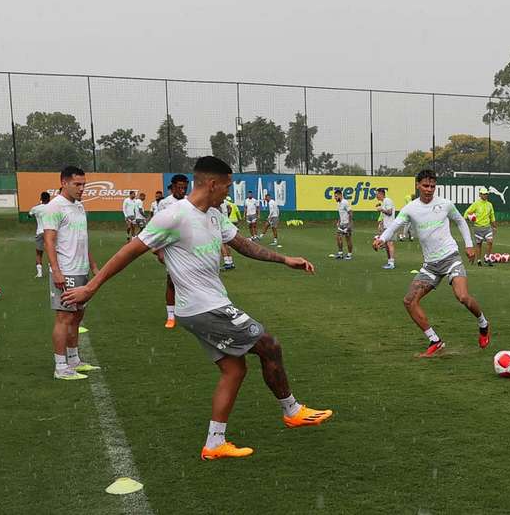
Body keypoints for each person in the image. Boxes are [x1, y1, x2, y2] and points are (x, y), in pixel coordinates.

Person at [62, 156, 332, 460]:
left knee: (234, 370)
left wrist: (284, 259)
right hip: (204, 308)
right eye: (228, 186)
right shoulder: (173, 216)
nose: (229, 193)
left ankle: (214, 442)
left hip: (207, 305)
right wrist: (91, 286)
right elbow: (130, 250)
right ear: (212, 183)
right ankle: (291, 410)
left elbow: (243, 244)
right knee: (269, 344)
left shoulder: (215, 215)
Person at [372, 169, 489, 358]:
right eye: (426, 185)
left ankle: (483, 324)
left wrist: (469, 245)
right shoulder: (411, 208)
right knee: (409, 301)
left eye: (433, 186)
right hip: (430, 266)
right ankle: (435, 341)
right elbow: (395, 225)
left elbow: (460, 221)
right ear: (418, 185)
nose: (429, 189)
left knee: (463, 297)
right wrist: (382, 238)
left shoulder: (445, 204)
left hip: (451, 258)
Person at [41, 166, 101, 380]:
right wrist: (56, 272)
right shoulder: (54, 207)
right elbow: (49, 241)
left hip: (81, 270)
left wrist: (93, 266)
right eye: (77, 184)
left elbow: (83, 239)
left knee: (77, 317)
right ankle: (60, 367)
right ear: (63, 182)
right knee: (64, 318)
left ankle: (74, 360)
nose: (82, 188)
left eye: (84, 184)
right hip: (66, 271)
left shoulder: (79, 206)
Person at [157, 175, 189, 328]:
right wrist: (159, 250)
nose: (182, 190)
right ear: (173, 187)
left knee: (192, 280)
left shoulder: (190, 202)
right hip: (172, 248)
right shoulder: (165, 203)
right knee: (171, 282)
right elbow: (160, 227)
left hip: (190, 246)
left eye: (185, 187)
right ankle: (171, 316)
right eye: (179, 187)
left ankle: (190, 312)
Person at [465, 187, 498, 266]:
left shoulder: (489, 205)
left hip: (487, 227)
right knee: (479, 244)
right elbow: (467, 213)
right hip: (478, 228)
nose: (485, 195)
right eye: (483, 194)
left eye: (486, 194)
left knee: (490, 242)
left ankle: (487, 258)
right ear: (480, 194)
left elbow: (492, 216)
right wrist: (469, 218)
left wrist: (494, 226)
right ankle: (479, 260)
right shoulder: (476, 204)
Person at [28, 191, 52, 278]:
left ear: (41, 198)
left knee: (39, 253)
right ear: (49, 199)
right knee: (51, 252)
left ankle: (39, 273)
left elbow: (29, 215)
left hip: (39, 232)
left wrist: (38, 204)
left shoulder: (36, 208)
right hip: (49, 232)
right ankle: (51, 271)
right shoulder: (52, 207)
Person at [375, 188, 396, 269]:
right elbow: (385, 216)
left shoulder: (387, 200)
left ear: (381, 194)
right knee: (386, 245)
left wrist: (381, 209)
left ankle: (392, 263)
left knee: (390, 244)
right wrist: (381, 224)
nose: (376, 196)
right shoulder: (384, 202)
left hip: (390, 226)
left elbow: (390, 212)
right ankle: (389, 262)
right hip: (386, 226)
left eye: (377, 194)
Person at [329, 194, 354, 260]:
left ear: (340, 195)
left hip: (346, 224)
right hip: (341, 224)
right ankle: (340, 254)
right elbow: (341, 214)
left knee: (348, 239)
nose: (335, 198)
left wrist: (349, 224)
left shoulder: (345, 202)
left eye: (336, 196)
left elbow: (350, 213)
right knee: (338, 238)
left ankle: (349, 255)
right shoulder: (338, 204)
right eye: (335, 197)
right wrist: (339, 221)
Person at [219, 195, 239, 270]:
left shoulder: (218, 202)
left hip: (221, 224)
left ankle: (227, 262)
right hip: (226, 222)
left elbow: (219, 210)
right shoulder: (225, 202)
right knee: (227, 244)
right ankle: (231, 262)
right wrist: (227, 216)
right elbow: (230, 208)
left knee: (221, 243)